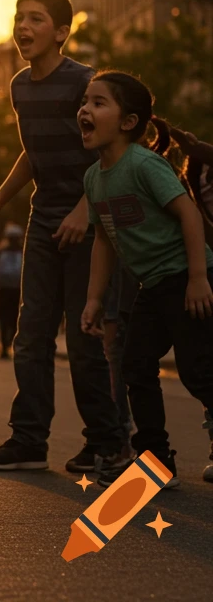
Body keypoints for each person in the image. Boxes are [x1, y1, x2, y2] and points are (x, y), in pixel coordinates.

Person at [0, 0, 124, 477]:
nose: (23, 27)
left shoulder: (85, 84)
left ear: (61, 32)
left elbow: (109, 154)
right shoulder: (20, 87)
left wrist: (86, 209)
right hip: (43, 220)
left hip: (92, 223)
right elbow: (31, 153)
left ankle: (106, 442)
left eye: (36, 19)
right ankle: (28, 440)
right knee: (31, 333)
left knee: (83, 336)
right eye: (19, 18)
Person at [79, 71, 213, 487]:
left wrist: (198, 278)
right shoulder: (94, 178)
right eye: (85, 101)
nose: (85, 109)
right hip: (152, 286)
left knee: (198, 372)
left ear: (128, 122)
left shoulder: (144, 164)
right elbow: (103, 240)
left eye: (99, 103)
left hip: (187, 280)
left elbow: (189, 214)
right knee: (135, 366)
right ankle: (156, 460)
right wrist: (93, 299)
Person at [0, 224, 24, 360]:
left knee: (7, 320)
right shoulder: (22, 252)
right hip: (13, 291)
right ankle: (7, 346)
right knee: (12, 320)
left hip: (7, 291)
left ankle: (6, 346)